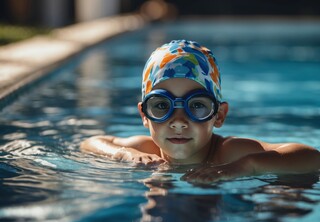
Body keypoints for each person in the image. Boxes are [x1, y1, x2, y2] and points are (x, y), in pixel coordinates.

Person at [81, 40, 320, 183]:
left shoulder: (228, 153)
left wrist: (247, 166)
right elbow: (93, 142)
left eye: (196, 105)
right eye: (161, 105)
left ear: (219, 115)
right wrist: (123, 153)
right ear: (144, 115)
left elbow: (311, 156)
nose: (178, 122)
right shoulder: (145, 151)